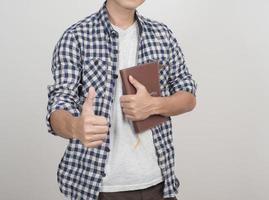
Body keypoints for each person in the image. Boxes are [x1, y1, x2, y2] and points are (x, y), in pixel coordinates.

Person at [46, 0, 197, 199]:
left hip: (158, 184)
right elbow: (59, 104)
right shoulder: (77, 37)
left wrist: (154, 105)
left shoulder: (162, 35)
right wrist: (75, 126)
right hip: (98, 188)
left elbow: (188, 95)